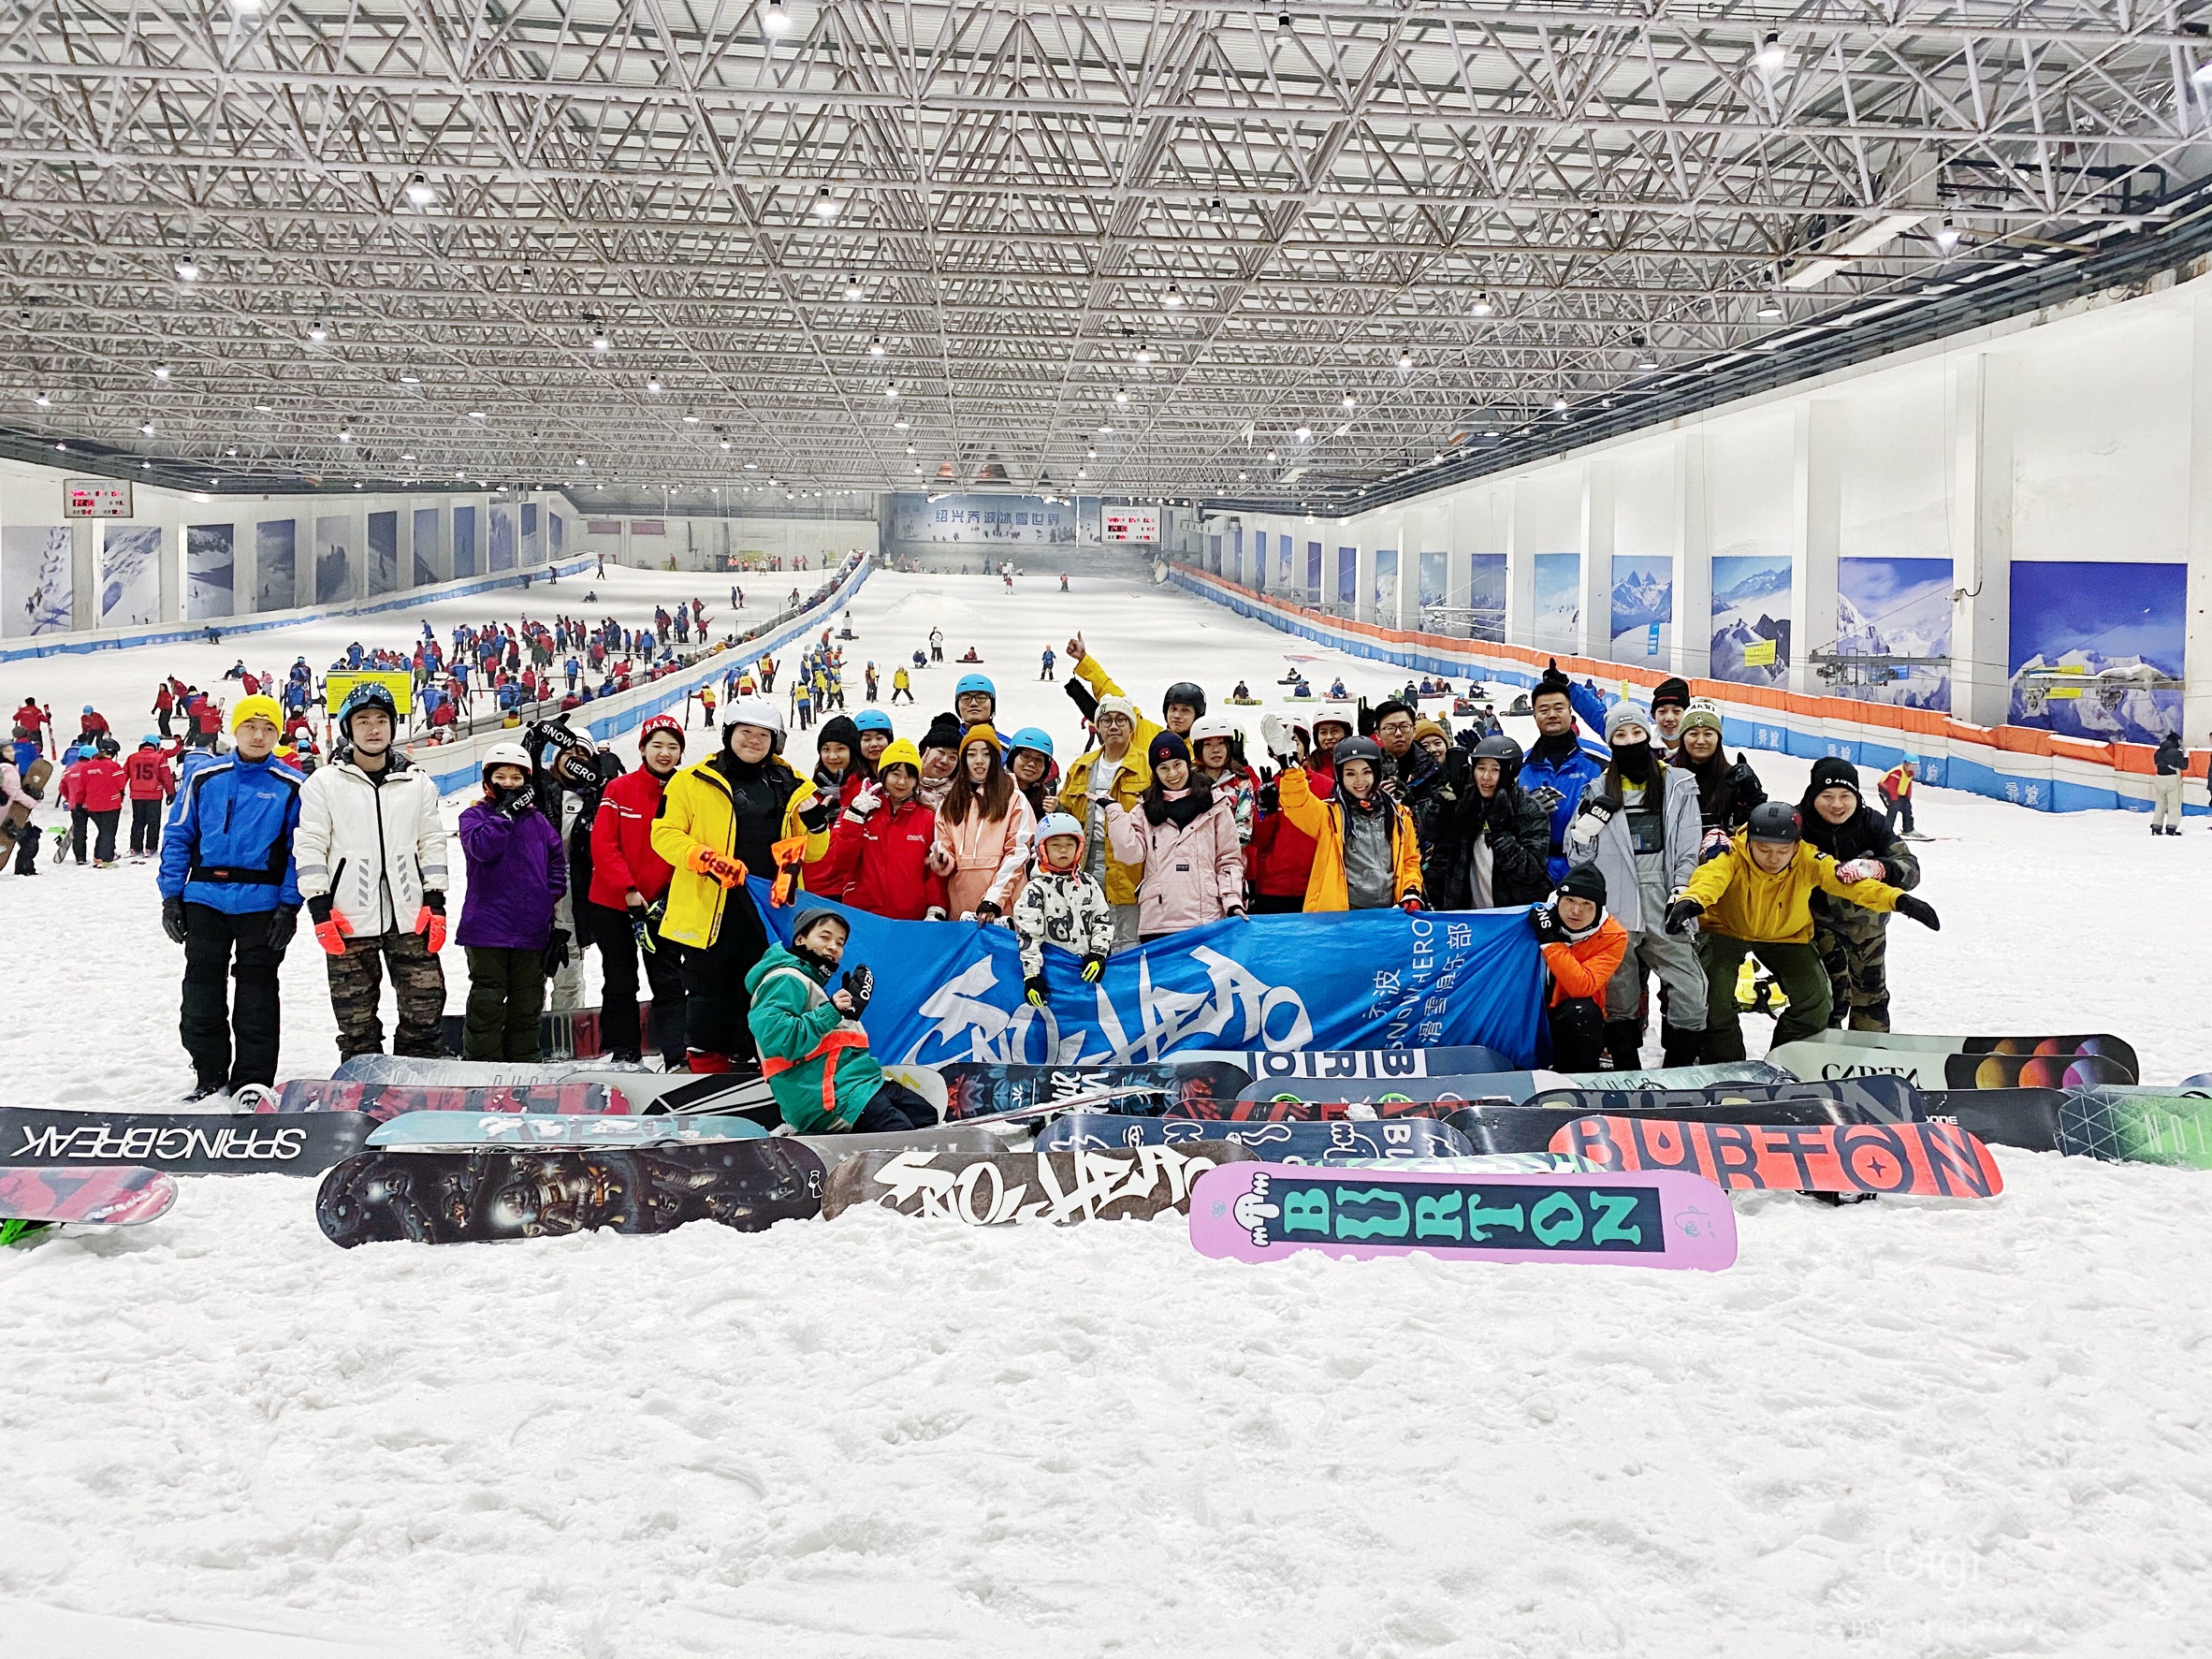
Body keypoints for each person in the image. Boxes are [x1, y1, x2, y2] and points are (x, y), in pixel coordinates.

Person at [1666, 802, 1939, 1061]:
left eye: (1783, 851)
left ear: (1796, 845)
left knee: (1817, 1000)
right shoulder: (1732, 853)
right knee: (1715, 996)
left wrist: (1898, 900)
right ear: (1749, 842)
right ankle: (1726, 1061)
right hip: (1726, 930)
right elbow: (1711, 877)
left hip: (1787, 936)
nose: (1773, 858)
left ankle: (1787, 1059)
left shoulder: (1809, 858)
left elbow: (1848, 883)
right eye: (1763, 849)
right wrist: (1692, 901)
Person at [649, 696, 833, 1072]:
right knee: (707, 994)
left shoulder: (793, 786)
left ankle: (755, 1066)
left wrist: (816, 826)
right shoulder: (691, 781)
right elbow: (663, 834)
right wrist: (706, 859)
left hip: (769, 911)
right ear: (728, 734)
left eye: (763, 734)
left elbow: (814, 852)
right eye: (745, 732)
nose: (753, 741)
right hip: (709, 909)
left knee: (762, 992)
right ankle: (705, 1071)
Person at [294, 682, 450, 1062]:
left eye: (382, 719)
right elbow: (310, 845)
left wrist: (435, 900)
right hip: (348, 918)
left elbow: (432, 842)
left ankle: (418, 1078)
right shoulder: (324, 784)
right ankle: (362, 1083)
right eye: (363, 720)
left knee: (425, 1008)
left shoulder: (416, 783)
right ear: (349, 728)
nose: (374, 728)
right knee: (355, 1021)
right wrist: (319, 908)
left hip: (411, 916)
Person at [157, 694, 303, 1099]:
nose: (259, 736)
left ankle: (252, 1079)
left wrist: (289, 906)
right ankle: (209, 1072)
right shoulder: (204, 777)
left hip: (262, 903)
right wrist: (172, 895)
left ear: (279, 734)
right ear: (233, 730)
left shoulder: (291, 786)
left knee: (256, 994)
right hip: (204, 898)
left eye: (269, 729)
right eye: (250, 727)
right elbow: (179, 834)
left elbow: (300, 850)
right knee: (201, 991)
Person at [1562, 702, 1708, 1069]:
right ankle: (1626, 1067)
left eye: (1637, 733)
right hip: (1617, 904)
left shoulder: (1678, 786)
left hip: (1664, 898)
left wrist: (1682, 892)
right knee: (1619, 992)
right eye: (1620, 736)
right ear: (1611, 743)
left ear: (1649, 735)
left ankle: (1677, 1066)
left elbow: (1689, 848)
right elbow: (1579, 859)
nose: (1630, 742)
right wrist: (1584, 829)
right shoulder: (1597, 790)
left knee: (1691, 988)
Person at [747, 907, 937, 1133]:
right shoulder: (785, 979)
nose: (833, 947)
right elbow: (780, 1040)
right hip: (828, 1098)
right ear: (800, 940)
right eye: (825, 937)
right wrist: (832, 1011)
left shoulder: (812, 984)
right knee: (904, 1138)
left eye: (840, 942)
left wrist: (845, 1015)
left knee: (927, 1118)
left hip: (860, 1085)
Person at [586, 714, 690, 1068]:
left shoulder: (686, 791)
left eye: (673, 747)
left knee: (668, 979)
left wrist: (668, 894)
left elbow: (687, 847)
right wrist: (627, 889)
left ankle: (677, 1053)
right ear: (643, 748)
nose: (665, 753)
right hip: (614, 901)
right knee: (619, 977)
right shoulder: (619, 789)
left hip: (663, 905)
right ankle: (624, 1050)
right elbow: (603, 843)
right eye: (657, 745)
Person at [456, 743, 567, 1062]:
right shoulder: (474, 816)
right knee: (487, 1000)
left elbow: (556, 861)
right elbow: (482, 848)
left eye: (515, 778)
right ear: (489, 780)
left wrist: (550, 896)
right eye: (501, 776)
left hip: (531, 929)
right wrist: (505, 815)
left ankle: (525, 1060)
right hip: (487, 928)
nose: (508, 784)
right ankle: (482, 1063)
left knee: (528, 1000)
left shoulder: (538, 821)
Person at [1797, 758, 1922, 1034]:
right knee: (1825, 1000)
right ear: (1813, 795)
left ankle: (1869, 1057)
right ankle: (1816, 1055)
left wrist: (1880, 868)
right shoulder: (1798, 823)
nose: (1837, 805)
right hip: (1815, 929)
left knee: (1871, 999)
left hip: (1868, 931)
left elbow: (1910, 869)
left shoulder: (1872, 824)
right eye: (1827, 796)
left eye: (1845, 796)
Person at [1266, 726, 1423, 911]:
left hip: (1388, 912)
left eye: (1366, 772)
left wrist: (1411, 889)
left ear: (1376, 772)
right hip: (1343, 913)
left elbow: (1409, 860)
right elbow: (1297, 803)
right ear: (1339, 777)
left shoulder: (1398, 815)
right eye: (1350, 774)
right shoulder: (1330, 816)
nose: (1359, 781)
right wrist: (1290, 770)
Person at [1104, 733, 1244, 940]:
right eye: (1163, 768)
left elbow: (1228, 860)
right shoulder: (1143, 809)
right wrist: (1115, 813)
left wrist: (1232, 902)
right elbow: (1130, 855)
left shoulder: (1215, 804)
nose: (1172, 773)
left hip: (1206, 920)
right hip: (1158, 923)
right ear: (1155, 772)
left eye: (1177, 764)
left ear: (1187, 763)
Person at [1057, 693, 1153, 949]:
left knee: (1127, 942)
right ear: (1097, 726)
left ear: (1132, 727)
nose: (1113, 726)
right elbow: (1066, 812)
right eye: (1107, 720)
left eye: (1121, 720)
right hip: (1085, 865)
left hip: (1130, 869)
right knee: (1086, 938)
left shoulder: (1148, 766)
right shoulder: (1081, 766)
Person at [814, 738, 948, 920]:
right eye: (895, 774)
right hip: (862, 915)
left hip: (909, 919)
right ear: (883, 774)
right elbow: (841, 861)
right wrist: (854, 816)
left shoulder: (927, 817)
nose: (902, 781)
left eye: (909, 775)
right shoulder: (862, 809)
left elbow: (934, 870)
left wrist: (936, 907)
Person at [929, 724, 1035, 922]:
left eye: (986, 754)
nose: (979, 761)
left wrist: (994, 900)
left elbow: (1017, 854)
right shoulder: (950, 802)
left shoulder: (1014, 798)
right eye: (971, 754)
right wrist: (942, 860)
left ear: (995, 759)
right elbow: (945, 848)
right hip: (961, 905)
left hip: (1004, 905)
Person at [1529, 866, 1629, 1072]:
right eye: (1570, 900)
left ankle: (1576, 1084)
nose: (1576, 911)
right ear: (1558, 899)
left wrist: (1551, 943)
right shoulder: (1534, 917)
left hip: (1571, 1018)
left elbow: (1583, 986)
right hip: (1529, 1009)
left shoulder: (1613, 936)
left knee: (1581, 1012)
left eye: (1586, 904)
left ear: (1599, 907)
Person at [1012, 812, 1115, 1007]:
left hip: (1086, 972)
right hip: (1054, 974)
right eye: (1055, 845)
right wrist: (1032, 975)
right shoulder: (1036, 890)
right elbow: (1028, 936)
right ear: (1043, 849)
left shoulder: (1088, 883)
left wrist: (1098, 954)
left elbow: (1102, 920)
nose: (1063, 851)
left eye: (1069, 845)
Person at [1520, 663, 1607, 881]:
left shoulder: (1599, 760)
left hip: (1587, 870)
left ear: (1571, 712)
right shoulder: (1520, 765)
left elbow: (1613, 726)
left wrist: (1571, 687)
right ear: (1534, 715)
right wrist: (1524, 810)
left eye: (1559, 708)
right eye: (1544, 710)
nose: (1552, 715)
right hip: (1535, 872)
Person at [1456, 735, 1552, 909]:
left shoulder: (1528, 809)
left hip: (1514, 914)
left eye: (1495, 770)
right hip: (1471, 915)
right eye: (1481, 768)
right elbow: (1433, 833)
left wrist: (1500, 834)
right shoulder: (1466, 805)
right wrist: (1445, 792)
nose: (1486, 777)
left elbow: (1532, 871)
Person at [1673, 702, 1766, 857]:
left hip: (1722, 863)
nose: (1701, 741)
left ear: (1718, 738)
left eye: (1708, 734)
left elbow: (1755, 825)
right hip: (1677, 860)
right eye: (1693, 734)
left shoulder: (1733, 778)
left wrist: (1752, 794)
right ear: (1683, 738)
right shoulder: (1669, 775)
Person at [1394, 716, 1467, 907]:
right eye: (1425, 746)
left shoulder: (1464, 777)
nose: (1433, 750)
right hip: (1421, 864)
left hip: (1455, 866)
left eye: (1438, 743)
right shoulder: (1412, 783)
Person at [1189, 714, 1258, 844]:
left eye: (1221, 743)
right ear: (1198, 749)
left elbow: (1244, 832)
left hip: (1229, 857)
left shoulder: (1241, 783)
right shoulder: (1188, 782)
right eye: (1208, 745)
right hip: (1194, 856)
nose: (1216, 750)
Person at [68, 736, 127, 866]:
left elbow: (81, 787)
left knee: (102, 831)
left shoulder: (87, 767)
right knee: (107, 832)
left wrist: (79, 803)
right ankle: (103, 857)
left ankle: (99, 855)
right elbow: (121, 784)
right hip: (111, 804)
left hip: (91, 805)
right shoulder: (114, 766)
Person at [124, 735, 178, 859]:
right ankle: (151, 848)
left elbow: (124, 775)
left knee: (138, 821)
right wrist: (170, 792)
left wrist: (119, 790)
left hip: (136, 794)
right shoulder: (159, 758)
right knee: (153, 822)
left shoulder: (132, 758)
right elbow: (166, 777)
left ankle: (135, 847)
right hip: (154, 794)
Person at [1006, 727, 1060, 822]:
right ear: (1012, 758)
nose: (1031, 764)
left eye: (1039, 760)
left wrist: (1056, 812)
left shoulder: (1044, 798)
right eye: (1025, 756)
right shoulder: (995, 789)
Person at [2152, 732, 2187, 837]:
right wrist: (2185, 756)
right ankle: (2171, 827)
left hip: (2159, 778)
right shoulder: (2175, 752)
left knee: (2160, 804)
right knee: (2174, 804)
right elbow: (2184, 765)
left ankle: (2156, 826)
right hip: (2171, 778)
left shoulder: (2158, 751)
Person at [1877, 757, 1918, 837]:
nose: (1915, 767)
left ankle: (1908, 829)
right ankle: (1886, 831)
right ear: (1906, 764)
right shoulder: (1897, 772)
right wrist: (1894, 800)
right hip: (1885, 791)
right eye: (1913, 765)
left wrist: (1907, 798)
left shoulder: (1909, 773)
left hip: (1898, 793)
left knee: (1907, 808)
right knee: (1893, 809)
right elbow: (1892, 787)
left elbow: (1908, 785)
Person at [1649, 677, 1691, 755]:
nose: (1669, 718)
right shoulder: (1645, 745)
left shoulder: (1696, 750)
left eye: (1676, 711)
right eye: (1662, 711)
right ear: (1654, 716)